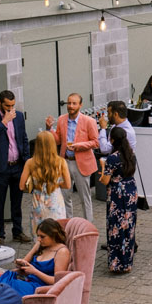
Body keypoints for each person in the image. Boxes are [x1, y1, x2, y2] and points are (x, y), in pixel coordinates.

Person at [0, 90, 31, 242]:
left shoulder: (19, 116)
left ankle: (18, 231)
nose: (10, 108)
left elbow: (23, 138)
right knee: (0, 201)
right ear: (0, 102)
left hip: (17, 165)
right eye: (7, 105)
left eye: (13, 105)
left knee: (17, 201)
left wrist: (27, 162)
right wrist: (4, 121)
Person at [45, 93, 99, 222]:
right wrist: (49, 128)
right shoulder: (62, 119)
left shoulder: (89, 121)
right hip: (65, 162)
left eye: (74, 103)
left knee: (84, 198)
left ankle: (87, 227)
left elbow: (96, 143)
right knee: (64, 196)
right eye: (69, 103)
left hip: (82, 164)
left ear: (80, 105)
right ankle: (67, 225)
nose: (70, 106)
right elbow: (57, 140)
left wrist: (79, 146)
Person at [0, 218, 71, 295]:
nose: (39, 239)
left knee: (3, 287)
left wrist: (35, 272)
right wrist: (22, 263)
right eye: (38, 236)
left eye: (42, 236)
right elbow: (25, 261)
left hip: (39, 287)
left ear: (53, 235)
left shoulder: (62, 252)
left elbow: (58, 281)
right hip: (27, 280)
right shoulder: (41, 245)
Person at [100, 126, 138, 272]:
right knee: (129, 227)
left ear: (112, 140)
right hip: (130, 191)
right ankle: (127, 263)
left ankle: (116, 264)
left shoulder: (112, 158)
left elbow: (105, 180)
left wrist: (103, 166)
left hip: (117, 194)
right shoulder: (131, 154)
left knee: (115, 227)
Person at [19, 131, 71, 228]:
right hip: (55, 203)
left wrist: (35, 185)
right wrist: (56, 184)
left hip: (38, 203)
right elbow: (68, 185)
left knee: (39, 234)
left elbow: (21, 186)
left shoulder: (30, 163)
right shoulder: (61, 162)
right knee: (56, 233)